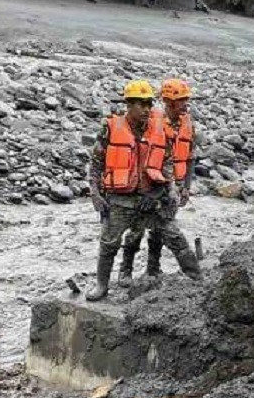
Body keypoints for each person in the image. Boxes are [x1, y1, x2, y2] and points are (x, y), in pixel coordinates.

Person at [85, 80, 201, 302]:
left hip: (151, 197)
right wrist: (95, 193)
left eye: (149, 104)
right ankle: (102, 285)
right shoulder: (110, 127)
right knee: (109, 242)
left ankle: (198, 279)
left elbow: (167, 167)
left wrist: (156, 193)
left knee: (174, 236)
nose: (147, 109)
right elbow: (96, 163)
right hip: (119, 199)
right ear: (129, 105)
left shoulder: (159, 131)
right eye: (141, 104)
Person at [117, 78, 196, 286]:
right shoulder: (152, 122)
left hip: (171, 187)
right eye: (182, 101)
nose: (186, 104)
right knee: (136, 229)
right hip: (147, 186)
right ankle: (125, 270)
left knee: (161, 229)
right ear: (169, 102)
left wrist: (185, 186)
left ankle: (153, 268)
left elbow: (190, 157)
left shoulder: (187, 122)